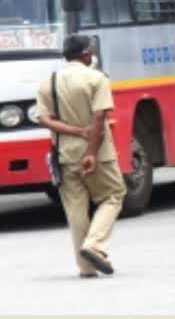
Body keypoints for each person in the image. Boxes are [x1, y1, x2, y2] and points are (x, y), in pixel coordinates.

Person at [36, 34, 126, 277]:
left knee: (75, 209)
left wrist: (74, 131)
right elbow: (99, 118)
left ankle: (85, 267)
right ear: (86, 54)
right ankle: (95, 246)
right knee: (113, 195)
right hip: (97, 152)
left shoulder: (48, 81)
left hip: (64, 154)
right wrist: (91, 152)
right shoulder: (96, 78)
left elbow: (44, 119)